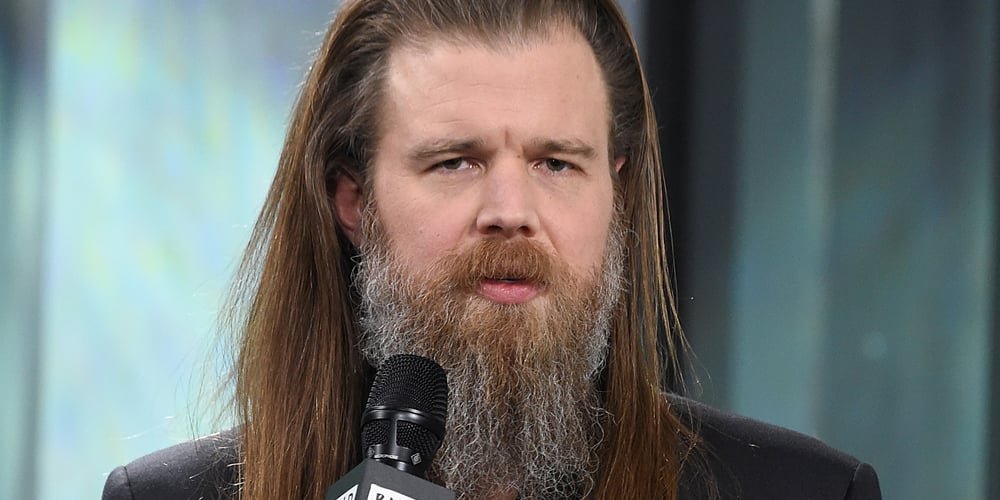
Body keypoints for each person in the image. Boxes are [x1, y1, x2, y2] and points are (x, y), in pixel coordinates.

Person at [102, 1, 882, 499]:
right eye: (456, 162)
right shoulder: (170, 499)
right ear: (353, 202)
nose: (511, 213)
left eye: (556, 164)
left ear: (617, 196)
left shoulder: (804, 493)